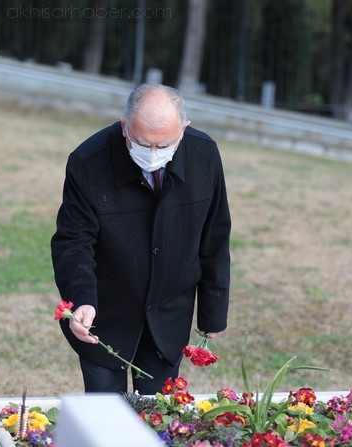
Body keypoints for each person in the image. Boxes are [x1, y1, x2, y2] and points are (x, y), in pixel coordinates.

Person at [51, 83, 231, 394]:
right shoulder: (87, 162)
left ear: (184, 130)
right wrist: (82, 300)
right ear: (124, 127)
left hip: (170, 312)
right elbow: (73, 242)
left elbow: (215, 234)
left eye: (164, 146)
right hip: (106, 313)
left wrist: (212, 312)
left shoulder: (205, 155)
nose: (152, 154)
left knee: (159, 419)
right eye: (142, 143)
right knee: (105, 421)